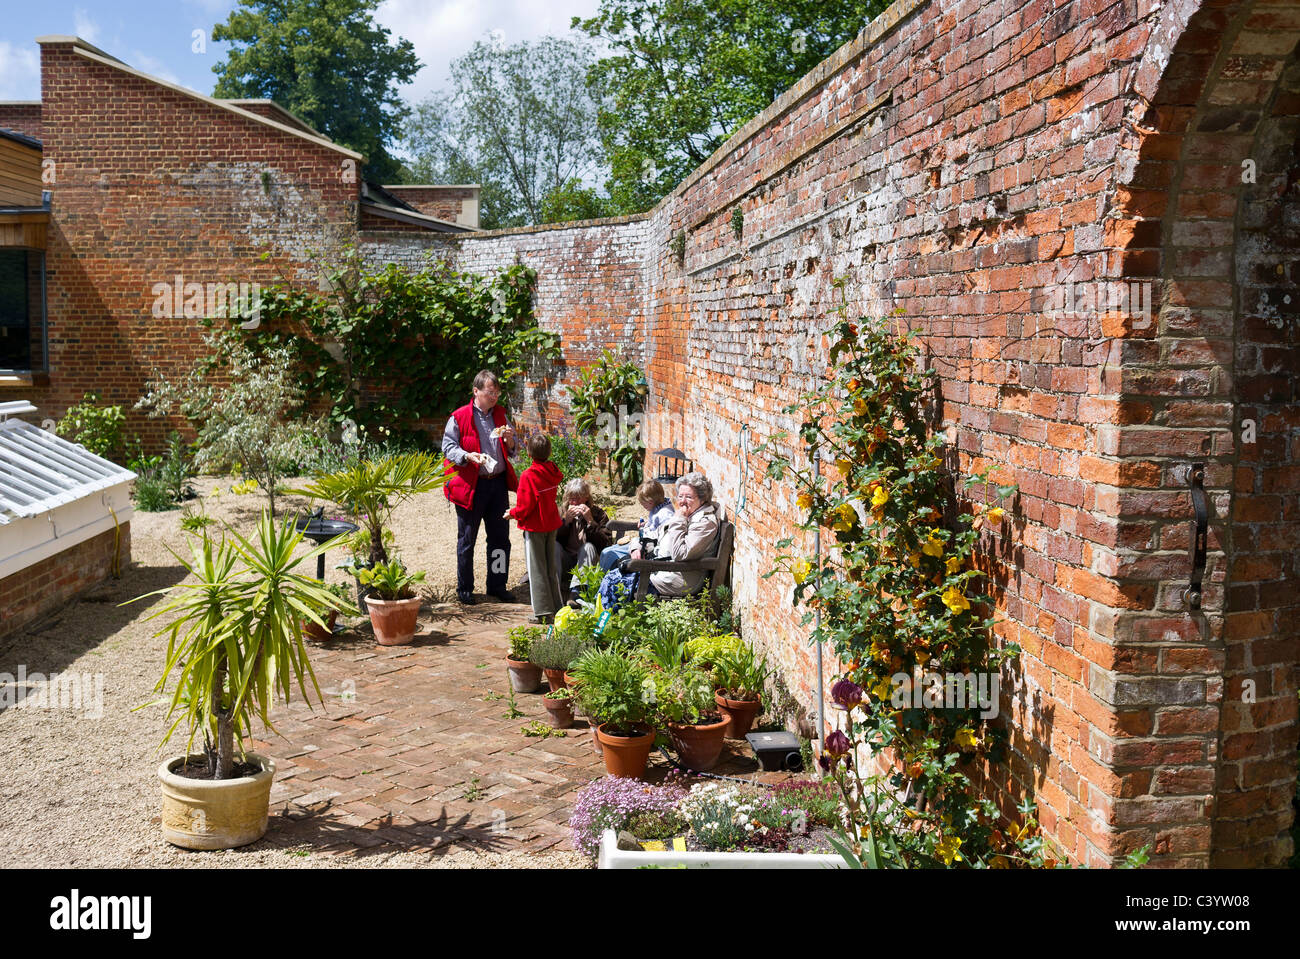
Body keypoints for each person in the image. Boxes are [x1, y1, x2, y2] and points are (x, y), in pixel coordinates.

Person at [441, 370, 518, 604]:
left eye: (496, 392)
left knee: (500, 539)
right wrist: (467, 456)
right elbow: (448, 446)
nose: (494, 397)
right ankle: (465, 588)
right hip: (471, 485)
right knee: (467, 539)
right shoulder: (460, 416)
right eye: (489, 392)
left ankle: (497, 585)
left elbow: (513, 450)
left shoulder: (501, 414)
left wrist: (510, 440)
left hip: (497, 484)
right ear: (476, 391)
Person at [507, 433, 565, 622]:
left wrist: (512, 513)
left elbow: (525, 506)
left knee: (536, 569)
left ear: (529, 453)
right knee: (550, 567)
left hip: (535, 527)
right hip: (551, 524)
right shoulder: (553, 470)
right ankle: (557, 607)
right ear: (549, 451)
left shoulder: (528, 475)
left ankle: (541, 612)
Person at [649, 472, 720, 598]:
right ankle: (605, 617)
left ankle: (605, 617)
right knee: (616, 568)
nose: (682, 501)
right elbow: (656, 533)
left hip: (675, 579)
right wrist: (636, 547)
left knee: (616, 582)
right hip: (660, 568)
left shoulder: (705, 523)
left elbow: (680, 553)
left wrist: (678, 520)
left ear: (702, 499)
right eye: (680, 496)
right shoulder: (688, 514)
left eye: (688, 497)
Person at [555, 477, 613, 600]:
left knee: (588, 547)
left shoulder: (598, 513)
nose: (574, 502)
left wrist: (590, 521)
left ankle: (578, 591)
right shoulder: (561, 512)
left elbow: (606, 544)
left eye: (578, 498)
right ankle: (554, 588)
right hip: (566, 561)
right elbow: (553, 539)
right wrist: (565, 522)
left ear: (586, 497)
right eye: (571, 498)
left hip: (588, 564)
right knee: (554, 547)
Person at [598, 479, 675, 572]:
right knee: (608, 551)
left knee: (608, 554)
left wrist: (645, 531)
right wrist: (646, 524)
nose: (642, 506)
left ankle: (603, 578)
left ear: (650, 501)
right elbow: (656, 525)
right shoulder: (660, 507)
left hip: (647, 550)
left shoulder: (666, 515)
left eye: (643, 504)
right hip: (642, 544)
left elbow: (662, 536)